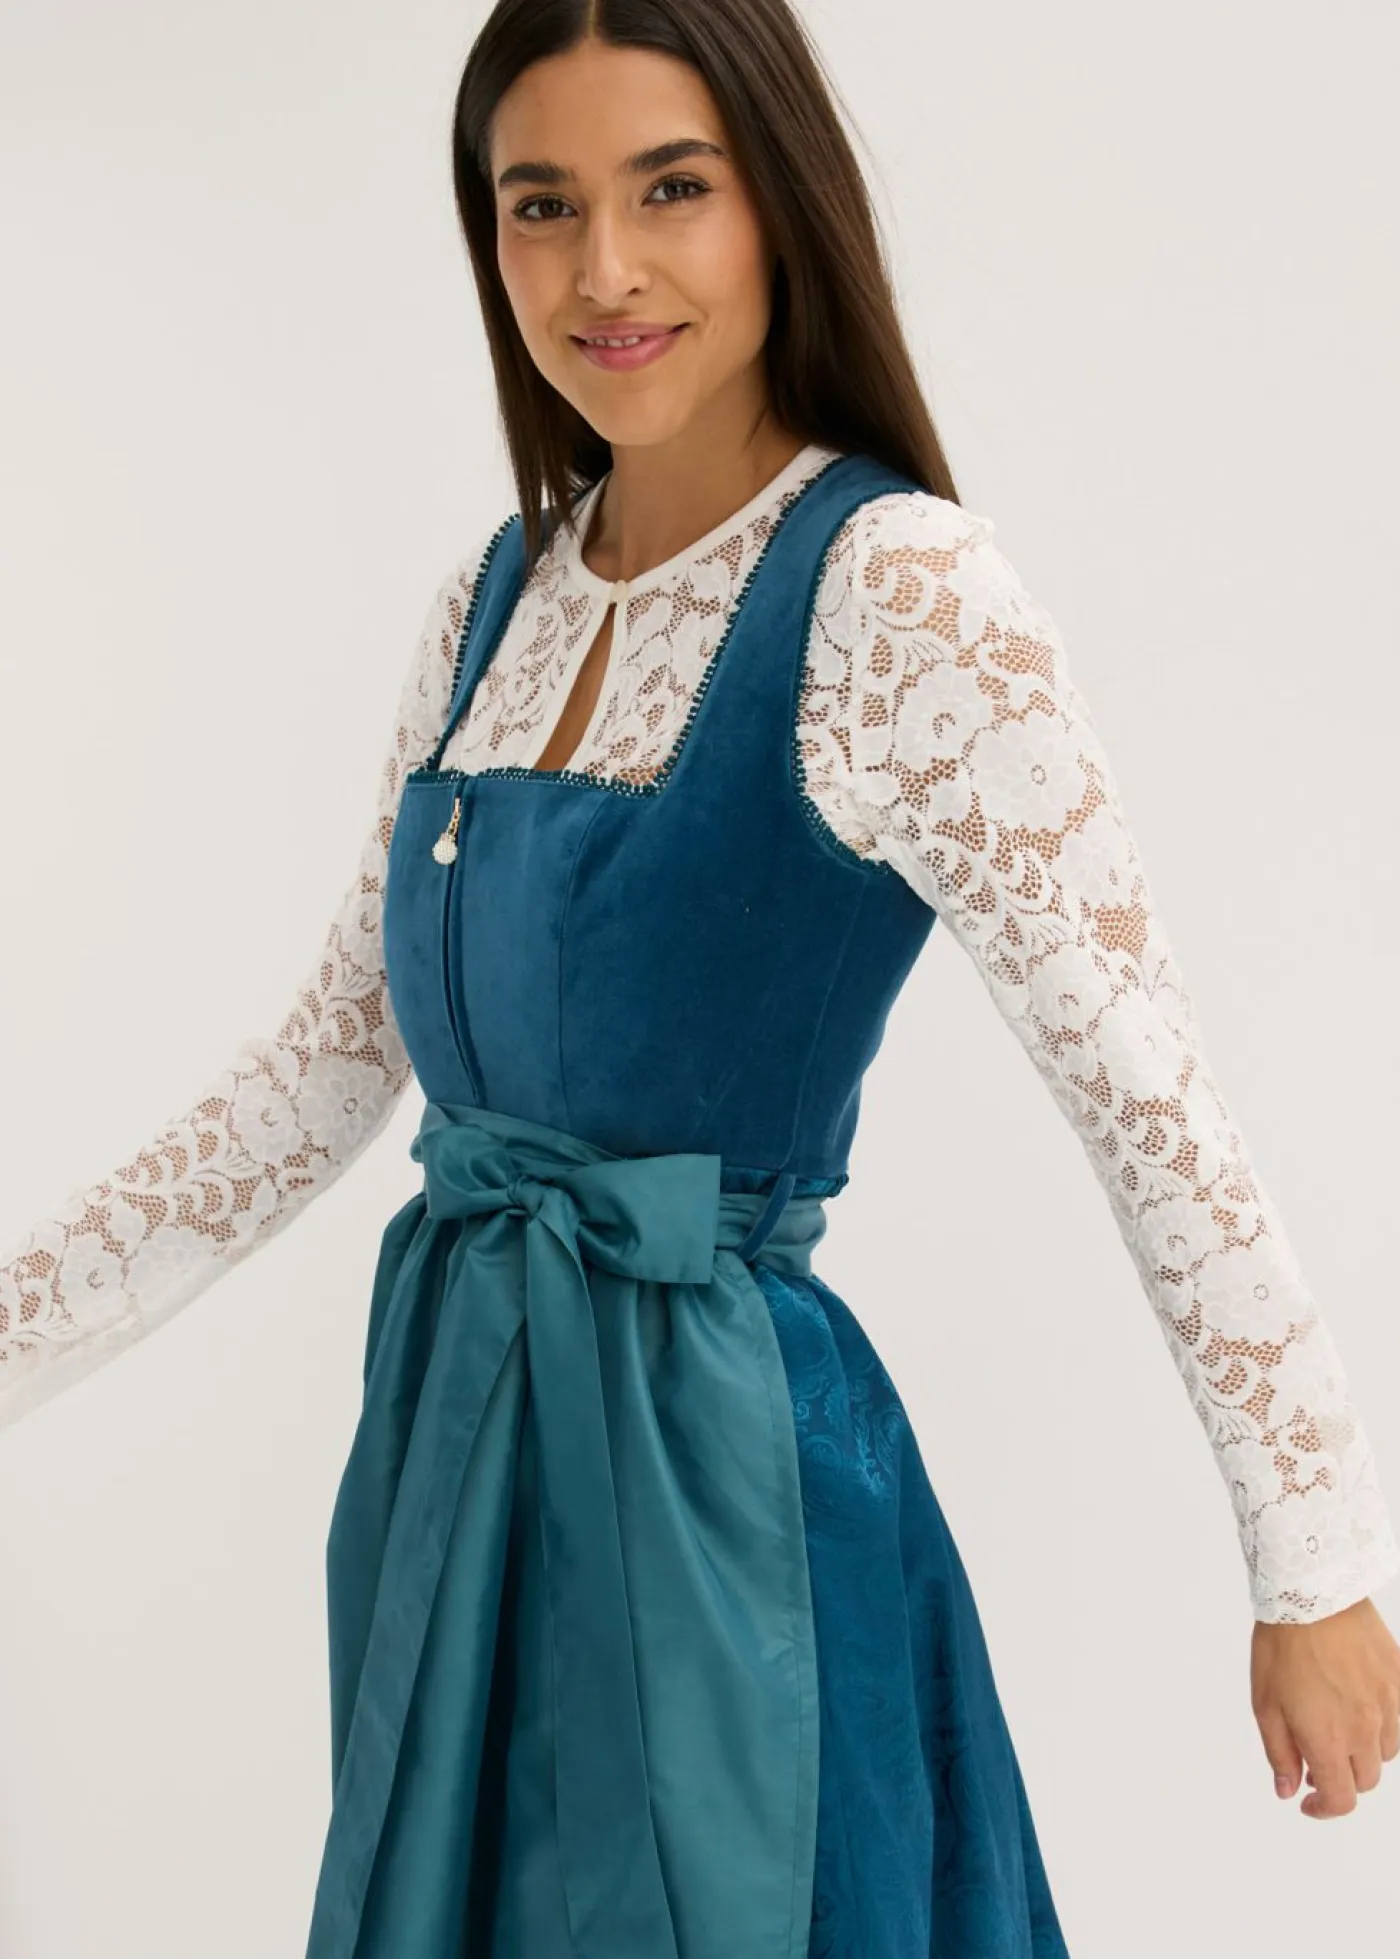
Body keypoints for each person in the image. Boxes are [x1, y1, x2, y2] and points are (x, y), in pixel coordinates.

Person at [4, 1, 1398, 1953]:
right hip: (461, 1468)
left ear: (779, 201)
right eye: (541, 204)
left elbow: (1149, 1093)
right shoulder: (493, 596)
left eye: (671, 189)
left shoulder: (899, 592)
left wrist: (1311, 1561)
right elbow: (323, 1072)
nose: (604, 270)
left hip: (724, 1493)